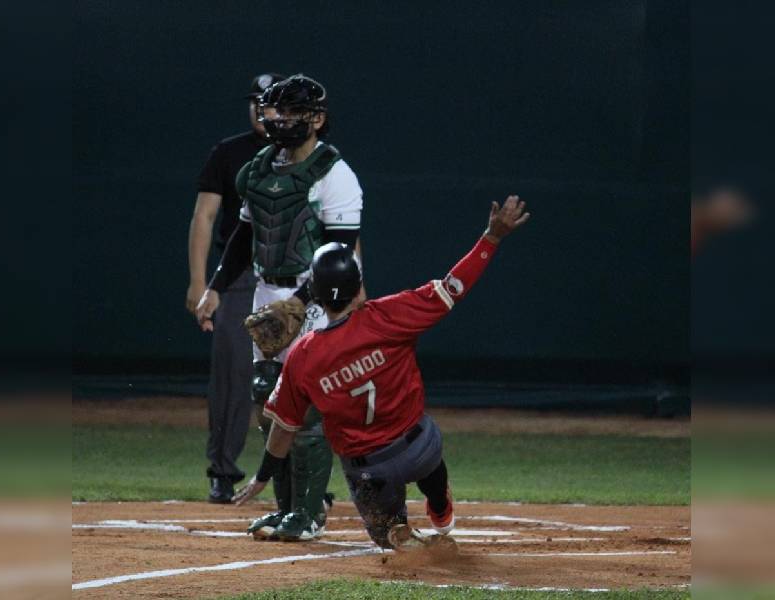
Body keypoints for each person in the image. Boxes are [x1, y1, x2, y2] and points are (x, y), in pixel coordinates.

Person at [233, 195, 531, 549]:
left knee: (388, 537)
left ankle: (396, 531)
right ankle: (439, 503)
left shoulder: (303, 355)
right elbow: (454, 286)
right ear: (358, 286)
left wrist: (263, 476)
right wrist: (491, 239)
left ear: (314, 293)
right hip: (417, 446)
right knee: (430, 448)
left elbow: (284, 429)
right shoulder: (389, 315)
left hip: (368, 470)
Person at [196, 74, 364, 540]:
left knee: (305, 410)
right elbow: (243, 236)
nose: (280, 119)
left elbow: (338, 256)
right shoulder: (259, 167)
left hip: (312, 298)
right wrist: (215, 286)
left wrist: (300, 304)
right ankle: (286, 508)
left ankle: (310, 513)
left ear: (317, 119)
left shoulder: (335, 173)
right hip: (264, 290)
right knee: (269, 402)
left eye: (292, 112)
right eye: (275, 111)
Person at [188, 72, 285, 503]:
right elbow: (205, 218)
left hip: (294, 278)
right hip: (240, 275)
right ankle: (223, 472)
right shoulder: (230, 153)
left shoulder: (308, 156)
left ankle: (298, 480)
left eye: (271, 102)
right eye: (257, 102)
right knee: (231, 374)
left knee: (300, 376)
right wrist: (200, 282)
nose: (262, 109)